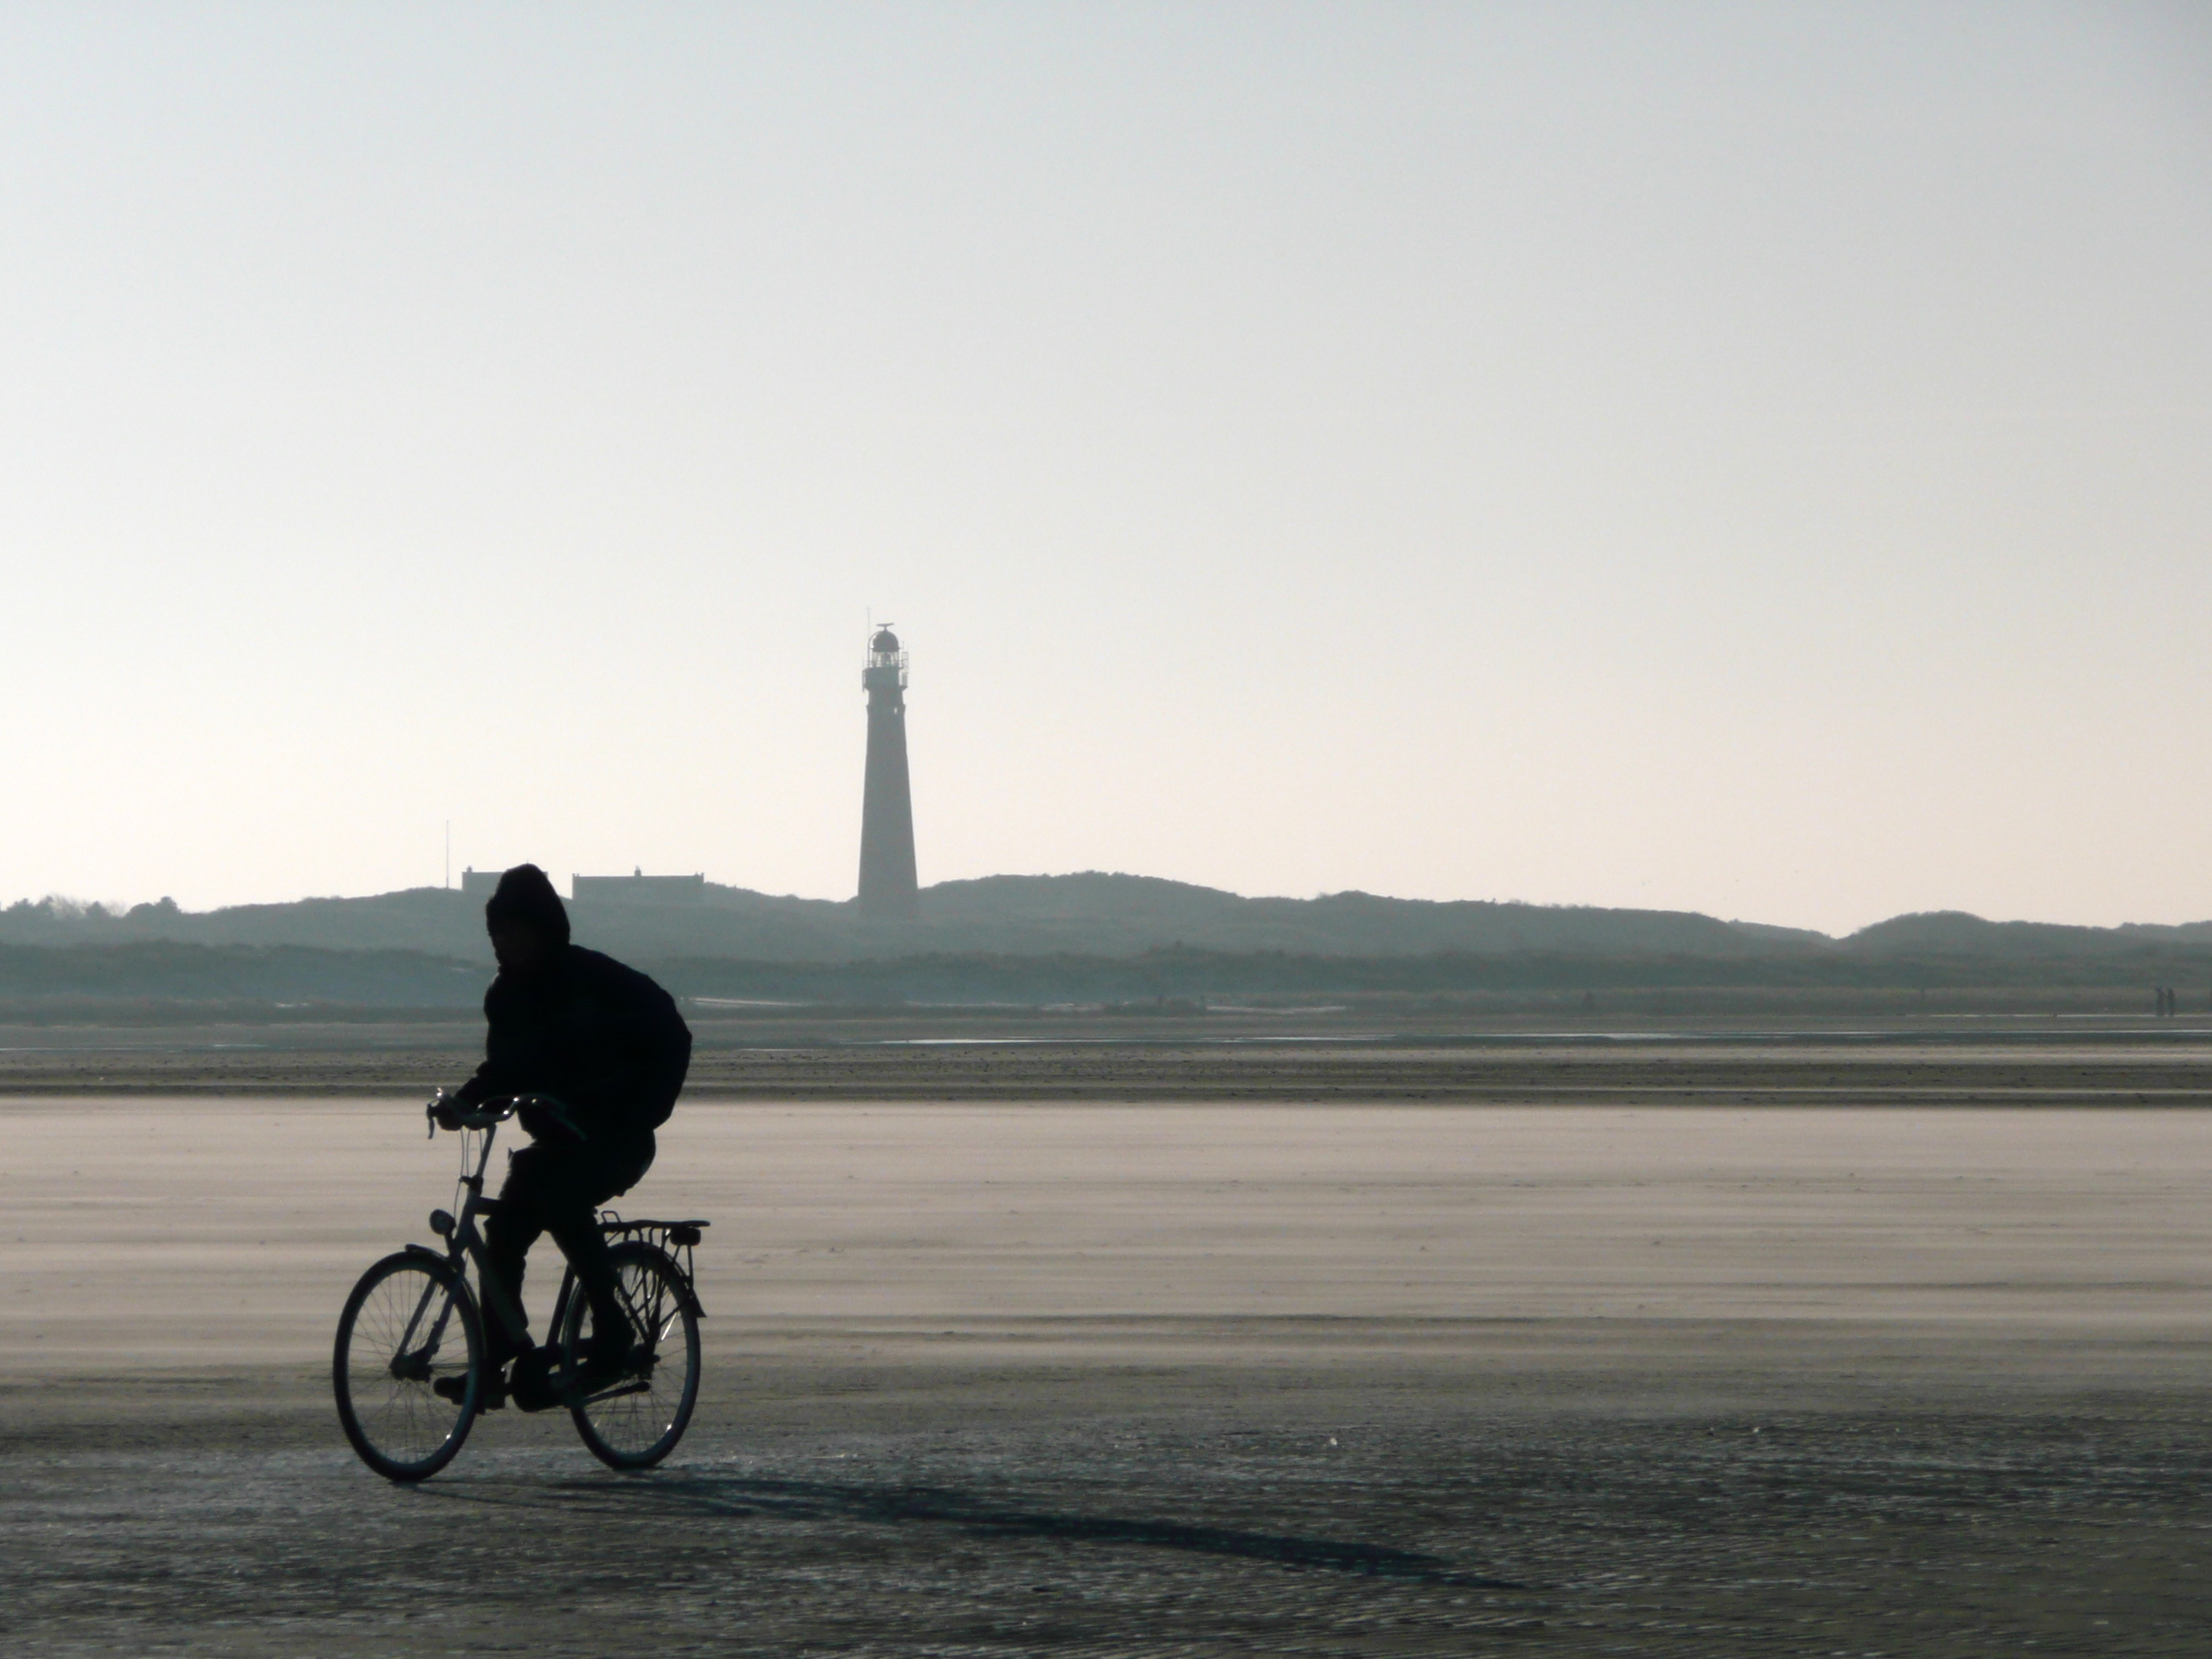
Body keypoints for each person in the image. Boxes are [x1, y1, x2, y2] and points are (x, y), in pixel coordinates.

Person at [434, 863, 692, 1409]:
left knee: (561, 1202)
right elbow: (503, 1069)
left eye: (514, 931)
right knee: (504, 1229)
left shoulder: (593, 981)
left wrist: (640, 1110)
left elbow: (671, 1031)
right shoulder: (505, 997)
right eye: (496, 933)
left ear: (544, 929)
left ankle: (613, 1332)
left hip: (619, 1139)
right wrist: (462, 1103)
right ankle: (496, 1358)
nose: (504, 943)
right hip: (558, 1141)